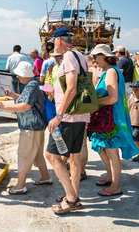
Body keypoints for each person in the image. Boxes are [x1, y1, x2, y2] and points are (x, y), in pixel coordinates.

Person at [45, 26, 89, 215]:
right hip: (79, 115)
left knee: (52, 156)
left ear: (58, 40)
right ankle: (73, 195)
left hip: (69, 117)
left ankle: (71, 198)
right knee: (74, 157)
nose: (53, 43)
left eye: (54, 40)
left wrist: (59, 115)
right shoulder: (79, 56)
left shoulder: (70, 57)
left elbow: (71, 88)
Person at [0, 61, 52, 194]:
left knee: (24, 155)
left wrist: (3, 106)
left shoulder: (31, 86)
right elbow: (30, 100)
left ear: (25, 75)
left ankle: (20, 185)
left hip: (30, 126)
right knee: (37, 153)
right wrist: (14, 96)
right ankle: (45, 177)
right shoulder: (36, 83)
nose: (17, 77)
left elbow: (26, 106)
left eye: (19, 75)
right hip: (38, 125)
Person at [90, 44, 139, 196]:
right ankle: (110, 177)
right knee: (104, 148)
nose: (94, 60)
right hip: (107, 117)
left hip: (111, 119)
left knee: (112, 152)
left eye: (95, 56)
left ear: (104, 56)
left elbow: (112, 98)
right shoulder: (108, 71)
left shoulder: (111, 71)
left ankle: (116, 186)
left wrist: (93, 103)